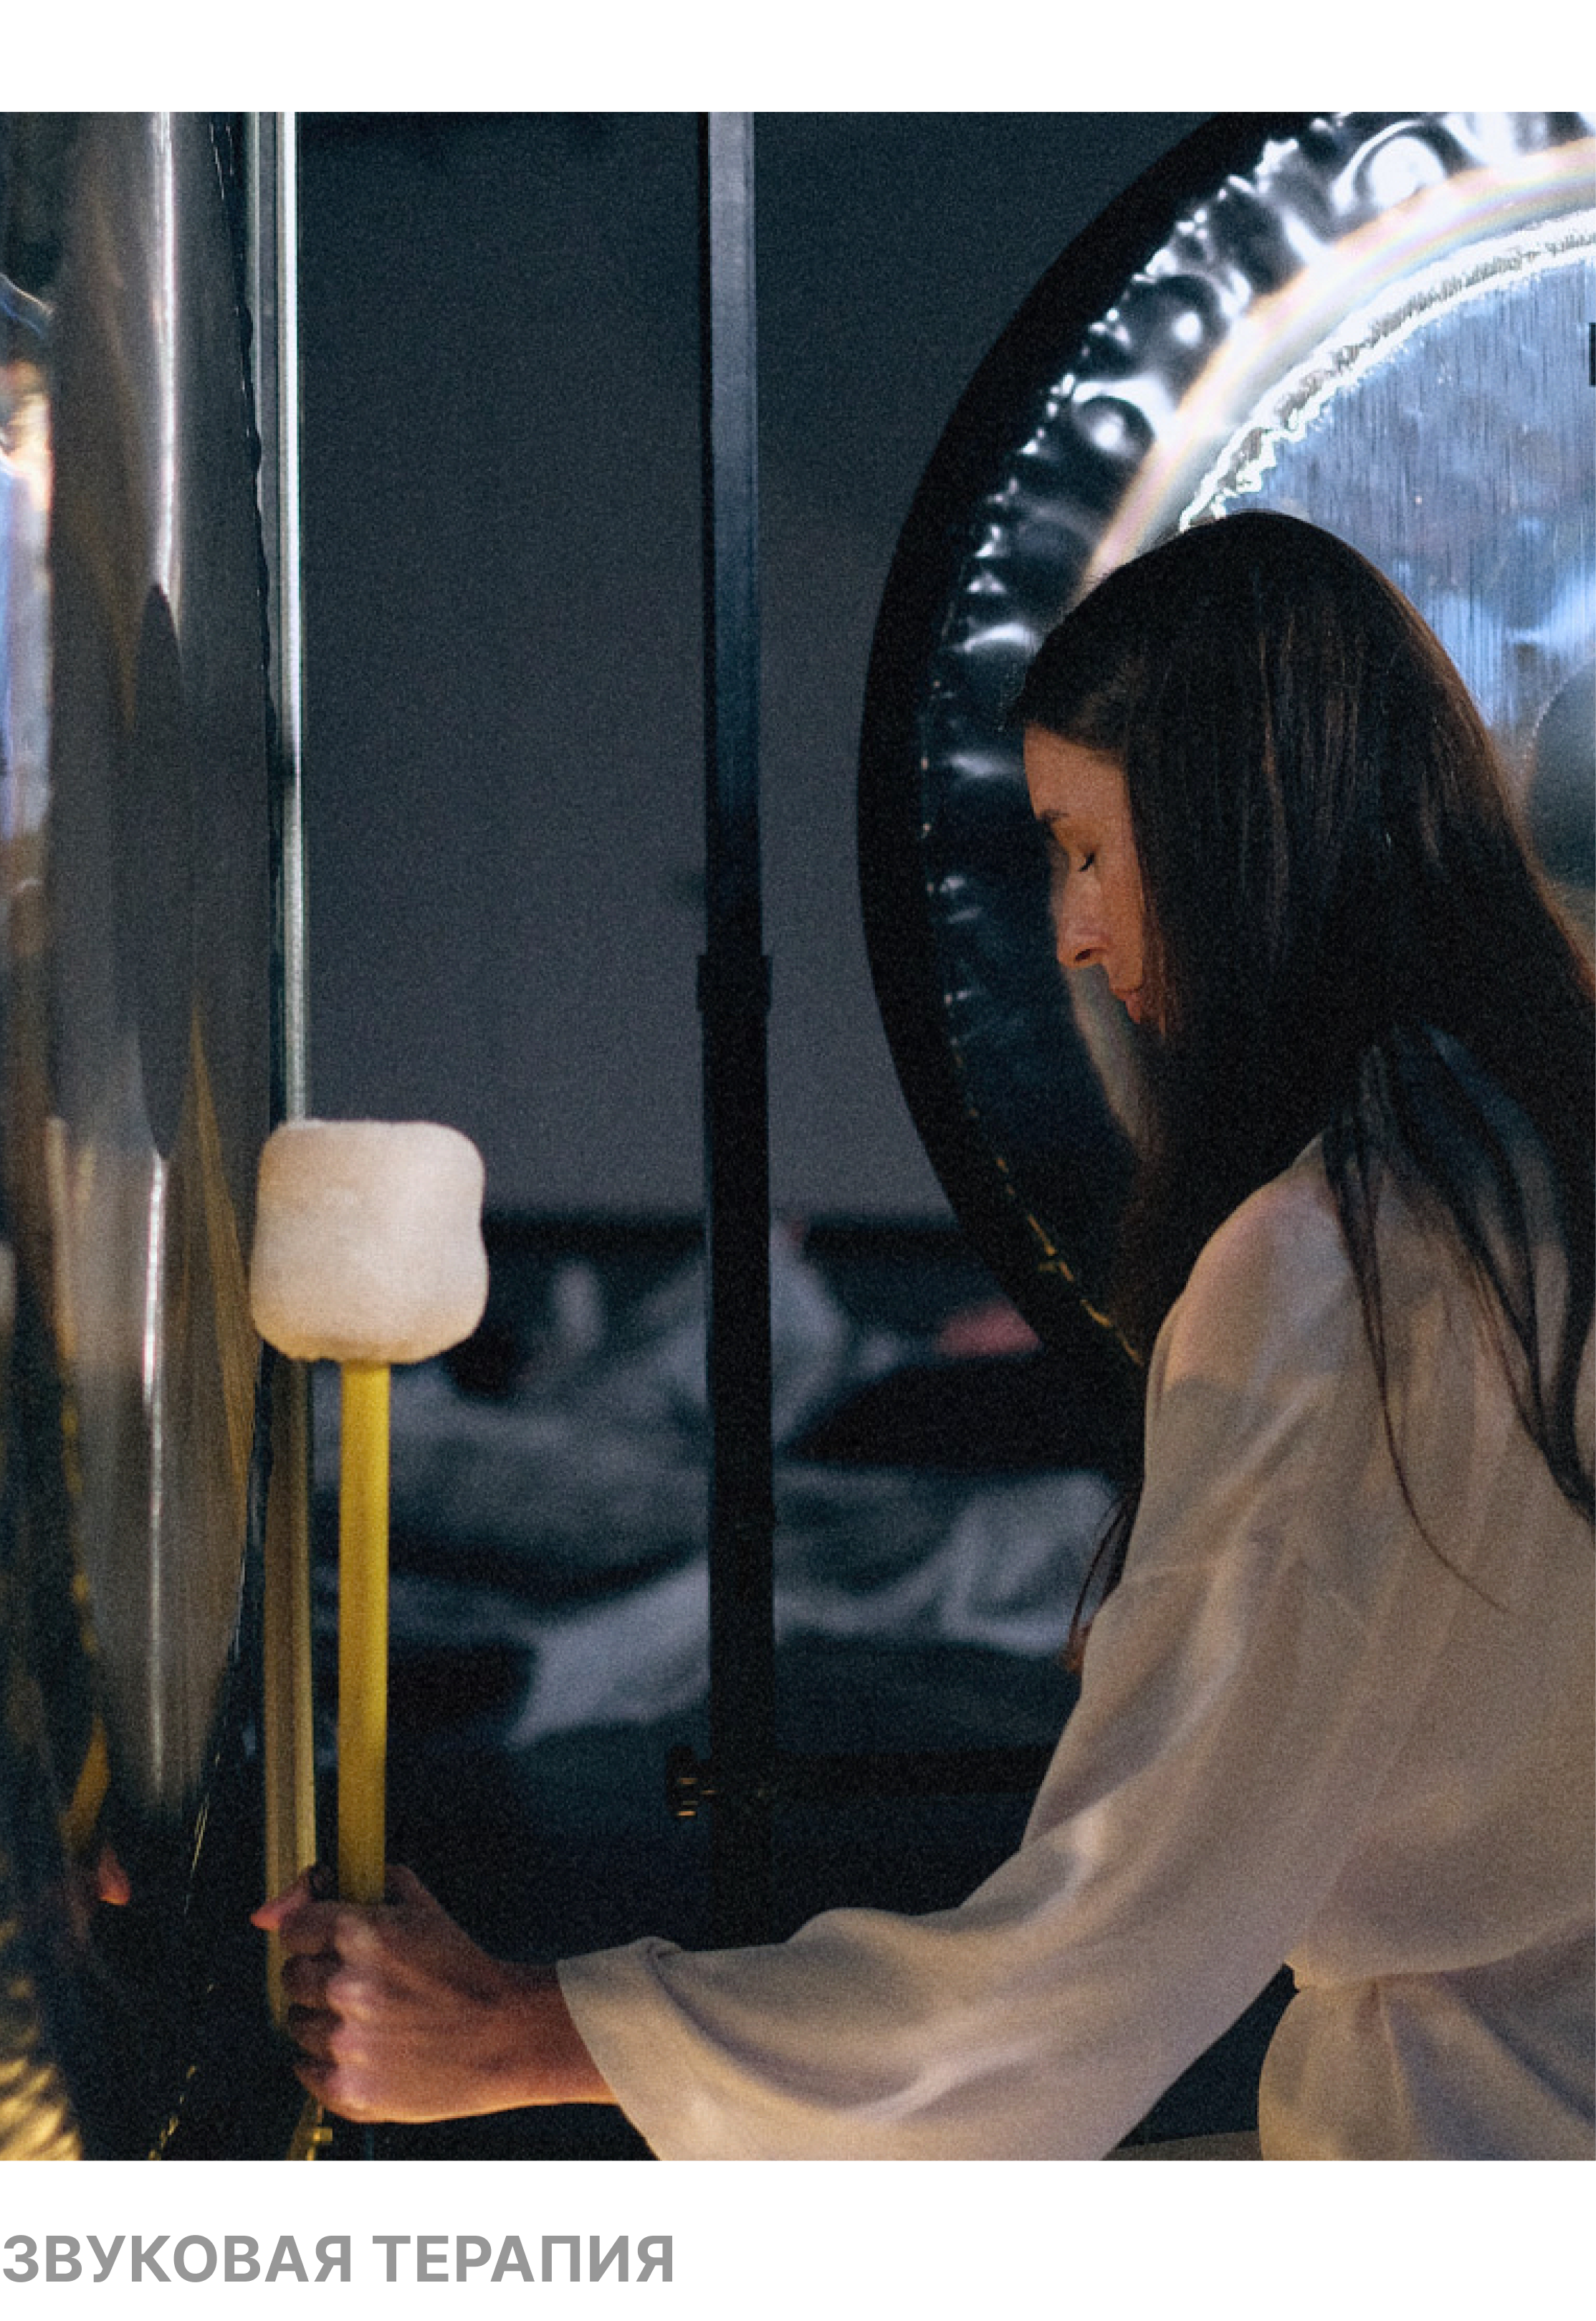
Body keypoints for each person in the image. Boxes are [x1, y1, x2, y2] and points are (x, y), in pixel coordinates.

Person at [255, 511, 1596, 2159]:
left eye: (1088, 850)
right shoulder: (1535, 1154)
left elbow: (1100, 1952)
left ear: (1244, 830)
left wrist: (513, 2034)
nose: (1073, 936)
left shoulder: (1342, 1260)